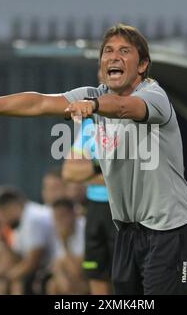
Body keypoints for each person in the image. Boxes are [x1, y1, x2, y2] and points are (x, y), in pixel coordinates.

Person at [0, 23, 187, 295]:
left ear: (142, 66)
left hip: (169, 229)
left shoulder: (153, 96)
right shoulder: (94, 94)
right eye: (108, 51)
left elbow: (123, 107)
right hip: (129, 231)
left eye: (124, 51)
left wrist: (94, 106)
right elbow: (39, 103)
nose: (114, 56)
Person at [62, 117, 116, 295]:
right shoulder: (90, 123)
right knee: (96, 273)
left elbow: (127, 179)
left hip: (123, 209)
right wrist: (103, 167)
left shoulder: (131, 121)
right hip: (95, 209)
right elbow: (69, 172)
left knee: (125, 277)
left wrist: (87, 171)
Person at [46, 199, 89, 295]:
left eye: (62, 216)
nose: (59, 221)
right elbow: (56, 264)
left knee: (78, 286)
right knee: (52, 285)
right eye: (56, 217)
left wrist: (64, 243)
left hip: (92, 267)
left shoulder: (85, 229)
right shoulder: (58, 229)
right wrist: (62, 279)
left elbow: (78, 270)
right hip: (72, 273)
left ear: (73, 214)